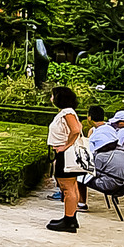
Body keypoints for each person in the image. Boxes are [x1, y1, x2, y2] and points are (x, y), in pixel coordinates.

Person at [46, 85, 85, 231]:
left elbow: (76, 129)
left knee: (67, 188)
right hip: (66, 152)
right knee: (72, 187)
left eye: (52, 95)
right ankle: (71, 217)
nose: (51, 98)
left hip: (65, 153)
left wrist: (66, 146)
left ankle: (69, 221)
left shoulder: (67, 112)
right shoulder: (68, 112)